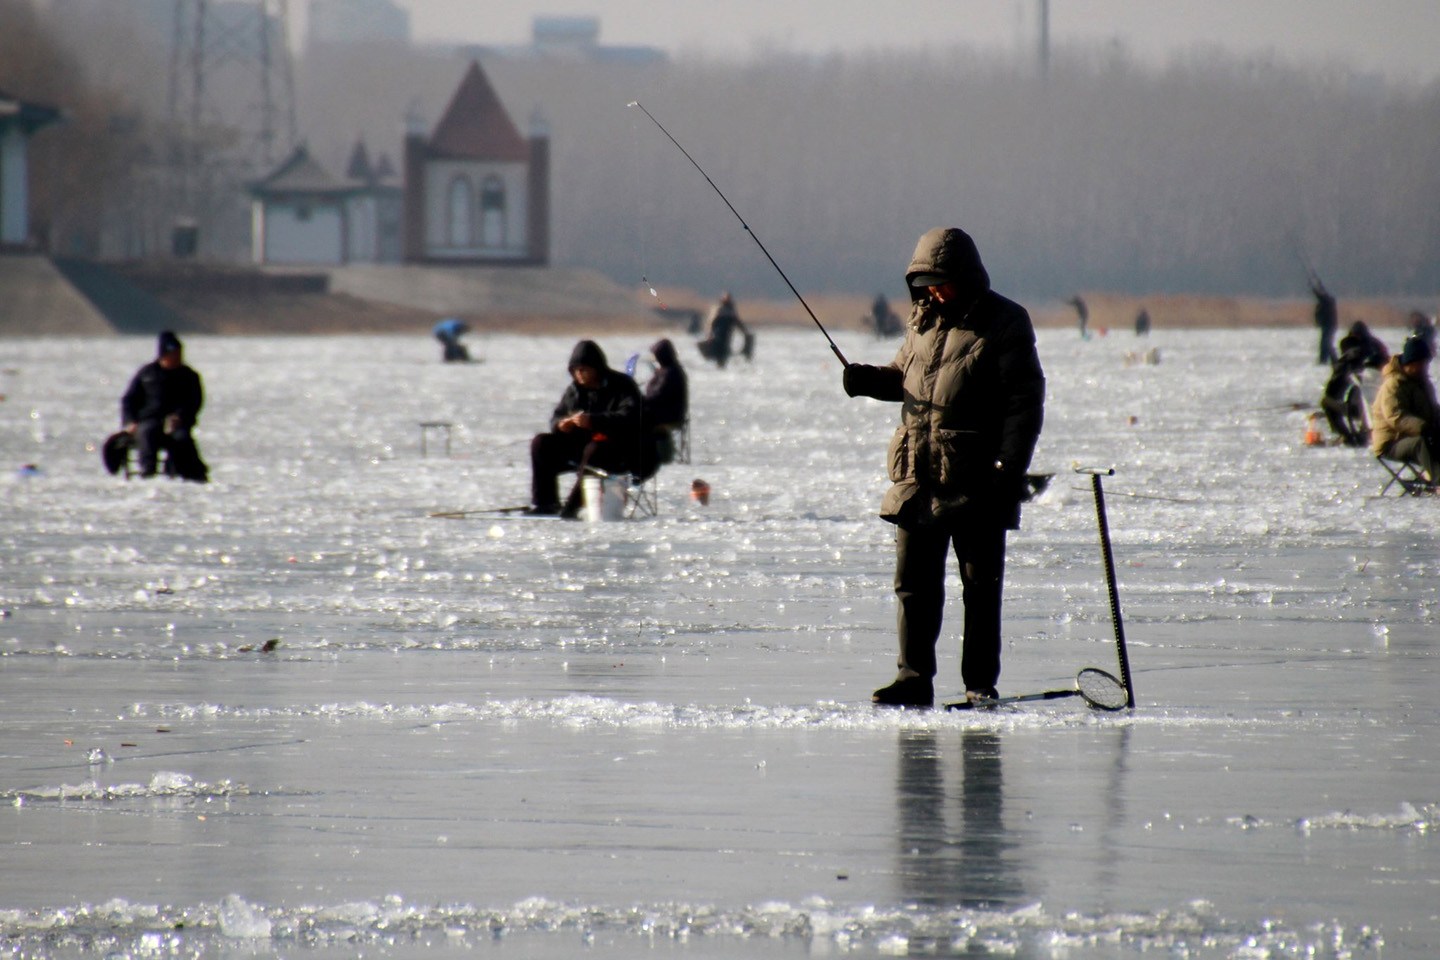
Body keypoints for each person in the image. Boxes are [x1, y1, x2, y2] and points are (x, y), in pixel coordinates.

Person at [841, 227, 1046, 708]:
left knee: (980, 590)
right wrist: (867, 380)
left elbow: (1024, 402)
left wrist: (1009, 469)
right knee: (913, 586)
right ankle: (913, 679)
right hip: (918, 476)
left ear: (966, 277)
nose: (932, 291)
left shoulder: (1006, 322)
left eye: (941, 281)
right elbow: (906, 379)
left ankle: (979, 684)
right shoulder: (922, 320)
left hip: (977, 480)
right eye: (924, 283)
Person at [528, 340, 641, 517]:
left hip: (615, 448)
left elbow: (629, 417)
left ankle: (572, 507)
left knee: (594, 449)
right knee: (541, 443)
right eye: (575, 371)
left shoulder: (622, 385)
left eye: (583, 370)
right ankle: (545, 503)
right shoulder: (574, 390)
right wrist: (561, 425)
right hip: (578, 447)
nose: (579, 375)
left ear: (597, 368)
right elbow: (557, 416)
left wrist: (593, 421)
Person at [117, 330, 208, 482]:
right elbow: (129, 400)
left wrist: (181, 416)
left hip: (177, 423)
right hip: (149, 420)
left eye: (179, 353)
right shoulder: (147, 374)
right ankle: (148, 473)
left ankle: (186, 473)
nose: (177, 357)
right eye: (173, 353)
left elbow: (194, 402)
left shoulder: (189, 376)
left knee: (182, 439)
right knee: (147, 433)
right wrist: (130, 421)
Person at [1370, 336, 1439, 486]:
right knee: (1422, 444)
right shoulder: (1393, 385)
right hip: (1393, 441)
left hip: (1416, 435)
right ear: (1411, 362)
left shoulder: (1422, 383)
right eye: (1421, 363)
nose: (1425, 367)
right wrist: (1423, 427)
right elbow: (1396, 417)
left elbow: (1432, 410)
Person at [638, 338, 688, 478]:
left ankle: (651, 456)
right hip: (660, 411)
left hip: (668, 415)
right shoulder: (666, 371)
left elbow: (658, 397)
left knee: (636, 421)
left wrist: (639, 401)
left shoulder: (671, 373)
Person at [1319, 352, 1369, 447]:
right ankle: (1346, 435)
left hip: (1362, 410)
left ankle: (1345, 435)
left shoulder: (1350, 371)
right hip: (1372, 408)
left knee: (1326, 402)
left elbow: (1332, 391)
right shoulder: (1375, 364)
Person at [697, 292, 753, 369]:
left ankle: (721, 367)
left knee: (724, 354)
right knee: (719, 354)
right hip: (717, 337)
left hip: (726, 337)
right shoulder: (719, 309)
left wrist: (745, 332)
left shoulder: (731, 311)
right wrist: (709, 334)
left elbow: (737, 322)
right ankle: (719, 368)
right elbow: (711, 323)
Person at [1310, 273, 1338, 365]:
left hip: (1329, 325)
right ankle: (1324, 360)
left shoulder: (1327, 301)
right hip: (1327, 325)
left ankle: (1327, 360)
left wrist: (1314, 288)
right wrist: (1316, 285)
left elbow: (1320, 295)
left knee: (1326, 343)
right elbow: (1321, 293)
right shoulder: (1326, 301)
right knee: (1324, 343)